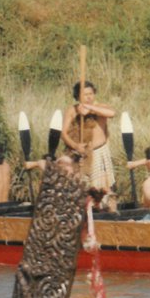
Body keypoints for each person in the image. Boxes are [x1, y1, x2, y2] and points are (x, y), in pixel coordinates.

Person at [62, 80, 117, 210]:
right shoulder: (72, 110)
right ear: (78, 96)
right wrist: (75, 146)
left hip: (98, 152)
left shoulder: (100, 108)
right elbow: (64, 134)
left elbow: (112, 113)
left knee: (103, 190)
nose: (88, 97)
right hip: (80, 154)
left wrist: (90, 108)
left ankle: (108, 215)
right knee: (82, 190)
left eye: (91, 93)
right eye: (85, 94)